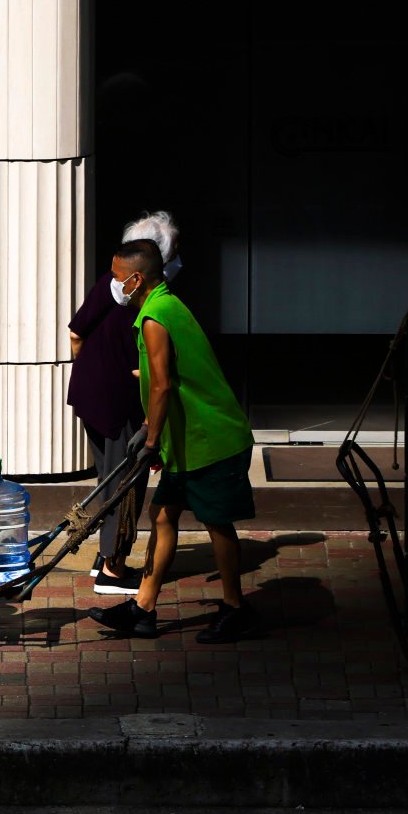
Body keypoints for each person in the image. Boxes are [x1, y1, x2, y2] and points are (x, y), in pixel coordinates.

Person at [91, 240, 258, 643]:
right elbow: (165, 380)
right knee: (163, 516)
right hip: (186, 441)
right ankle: (143, 609)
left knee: (217, 523)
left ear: (135, 278)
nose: (112, 284)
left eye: (116, 277)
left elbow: (164, 384)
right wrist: (152, 425)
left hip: (210, 439)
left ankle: (235, 608)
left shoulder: (155, 317)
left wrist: (151, 435)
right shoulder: (165, 304)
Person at [68, 210, 184, 596]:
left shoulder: (110, 284)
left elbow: (75, 333)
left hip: (91, 394)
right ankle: (113, 571)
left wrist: (91, 371)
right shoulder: (144, 301)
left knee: (108, 479)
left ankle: (104, 556)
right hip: (118, 403)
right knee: (124, 485)